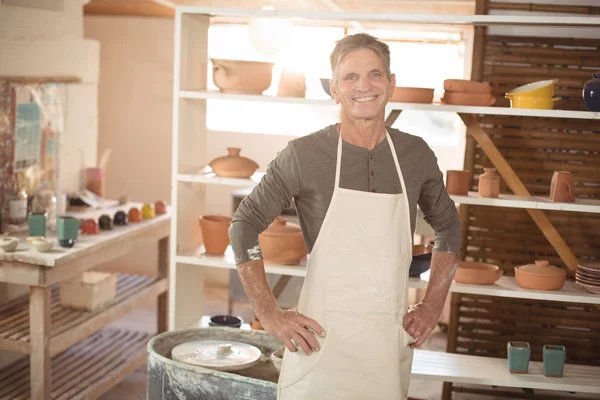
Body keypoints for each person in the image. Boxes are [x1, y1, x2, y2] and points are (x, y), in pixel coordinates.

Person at [229, 33, 461, 399]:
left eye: (375, 75)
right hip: (318, 344)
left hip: (385, 348)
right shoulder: (304, 154)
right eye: (349, 78)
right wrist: (270, 313)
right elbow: (244, 226)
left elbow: (449, 227)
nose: (363, 86)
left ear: (391, 84)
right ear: (334, 90)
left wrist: (433, 305)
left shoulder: (415, 155)